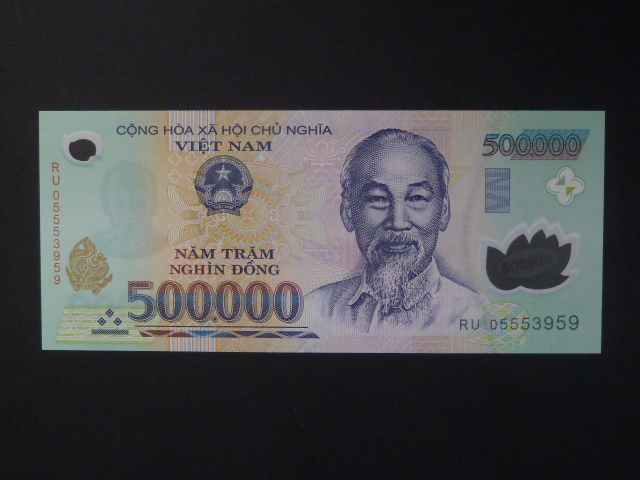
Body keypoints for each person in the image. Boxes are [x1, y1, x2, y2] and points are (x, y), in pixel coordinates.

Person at [305, 129, 488, 336]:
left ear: (444, 211)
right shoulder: (315, 310)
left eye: (416, 198)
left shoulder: (476, 315)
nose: (398, 222)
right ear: (347, 211)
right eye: (378, 198)